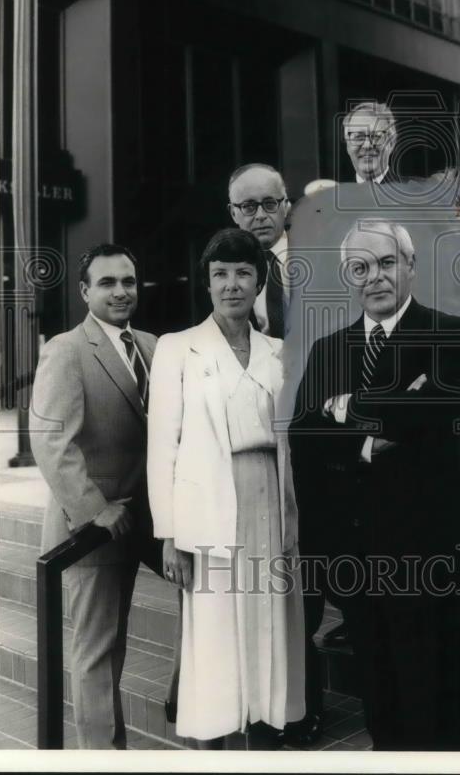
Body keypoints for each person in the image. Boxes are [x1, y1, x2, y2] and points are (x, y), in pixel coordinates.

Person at [289, 219, 460, 751]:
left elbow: (440, 414)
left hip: (434, 551)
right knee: (383, 707)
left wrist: (349, 410)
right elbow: (306, 443)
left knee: (442, 706)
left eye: (386, 263)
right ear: (347, 277)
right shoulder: (329, 349)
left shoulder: (449, 332)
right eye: (360, 267)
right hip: (358, 556)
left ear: (410, 266)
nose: (374, 277)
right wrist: (389, 424)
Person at [147, 228, 305, 746]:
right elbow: (162, 447)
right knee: (216, 622)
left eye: (242, 274)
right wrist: (171, 534)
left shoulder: (279, 351)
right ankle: (216, 734)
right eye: (220, 275)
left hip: (269, 494)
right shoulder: (178, 349)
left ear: (259, 282)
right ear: (207, 283)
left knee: (268, 612)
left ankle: (265, 724)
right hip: (211, 501)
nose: (231, 285)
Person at [29, 243, 161, 749]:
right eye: (107, 283)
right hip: (94, 529)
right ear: (85, 292)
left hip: (148, 518)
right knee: (98, 654)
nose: (121, 291)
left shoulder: (152, 344)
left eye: (128, 281)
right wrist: (94, 510)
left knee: (207, 597)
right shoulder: (66, 349)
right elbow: (50, 441)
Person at [228, 163, 291, 339]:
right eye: (249, 207)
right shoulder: (221, 274)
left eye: (270, 204)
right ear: (234, 213)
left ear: (285, 206)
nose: (261, 215)